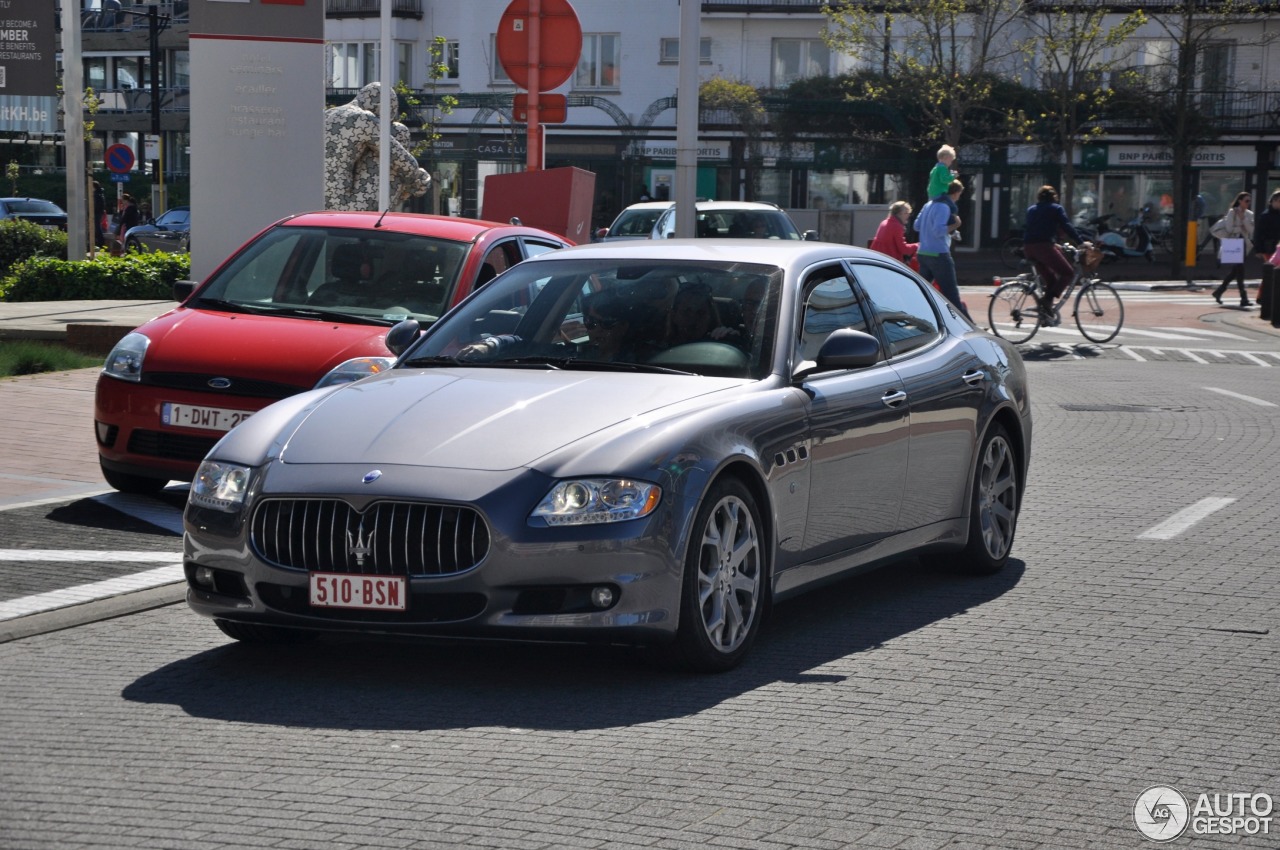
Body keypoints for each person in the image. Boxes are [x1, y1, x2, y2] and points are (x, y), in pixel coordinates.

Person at [1022, 185, 1083, 321]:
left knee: (1051, 280)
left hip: (1028, 247)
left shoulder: (1031, 209)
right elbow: (1067, 225)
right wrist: (1081, 242)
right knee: (1068, 273)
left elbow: (1034, 229)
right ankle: (1046, 300)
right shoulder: (1056, 208)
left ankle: (1046, 311)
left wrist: (1052, 242)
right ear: (1054, 197)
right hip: (1043, 247)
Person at [913, 180, 969, 318]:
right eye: (959, 195)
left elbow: (916, 226)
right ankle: (970, 327)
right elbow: (938, 231)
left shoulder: (928, 205)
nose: (958, 198)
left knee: (923, 293)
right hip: (939, 254)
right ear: (955, 193)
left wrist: (949, 232)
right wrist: (955, 225)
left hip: (923, 252)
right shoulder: (944, 207)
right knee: (951, 295)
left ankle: (916, 319)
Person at [1211, 192, 1254, 308]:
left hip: (1243, 243)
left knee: (1236, 270)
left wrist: (1243, 218)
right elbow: (1229, 229)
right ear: (1239, 201)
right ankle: (1243, 298)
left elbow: (1250, 229)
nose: (1248, 203)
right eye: (1246, 201)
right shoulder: (1232, 212)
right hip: (1233, 242)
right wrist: (1240, 227)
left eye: (1249, 201)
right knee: (1240, 270)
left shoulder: (1249, 214)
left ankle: (1219, 291)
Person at [1253, 189, 1280, 325]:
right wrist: (1258, 249)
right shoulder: (1265, 216)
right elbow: (1258, 233)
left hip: (1278, 247)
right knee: (1270, 272)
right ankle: (1262, 296)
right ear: (1273, 201)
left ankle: (1266, 296)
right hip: (1269, 248)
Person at [869, 201, 919, 271]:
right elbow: (904, 249)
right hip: (890, 264)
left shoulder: (884, 222)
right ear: (898, 214)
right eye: (906, 213)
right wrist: (917, 245)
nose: (908, 215)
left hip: (879, 261)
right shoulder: (897, 226)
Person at [928, 145, 958, 214]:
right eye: (950, 160)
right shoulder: (943, 168)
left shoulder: (935, 168)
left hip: (932, 194)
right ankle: (948, 222)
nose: (950, 163)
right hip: (940, 193)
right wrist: (953, 176)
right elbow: (944, 180)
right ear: (945, 158)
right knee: (953, 208)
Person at [92, 181, 107, 249]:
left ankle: (100, 243)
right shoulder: (100, 193)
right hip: (99, 212)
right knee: (98, 227)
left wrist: (92, 211)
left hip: (96, 213)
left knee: (97, 227)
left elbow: (96, 205)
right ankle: (100, 242)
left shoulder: (96, 194)